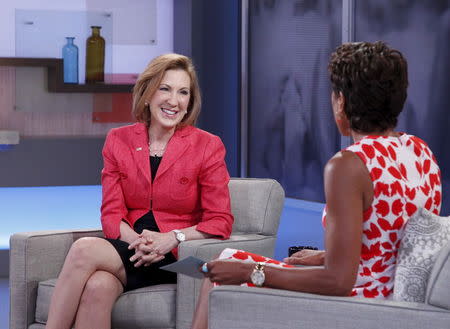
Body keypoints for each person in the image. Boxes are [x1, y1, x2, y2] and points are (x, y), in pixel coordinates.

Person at [190, 41, 442, 329]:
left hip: (361, 305)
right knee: (228, 258)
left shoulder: (349, 165)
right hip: (398, 301)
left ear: (341, 102)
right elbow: (390, 242)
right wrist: (325, 256)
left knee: (221, 272)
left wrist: (253, 271)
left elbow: (337, 281)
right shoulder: (418, 150)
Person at [45, 53, 234, 329]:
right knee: (98, 286)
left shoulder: (207, 145)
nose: (174, 100)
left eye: (183, 92)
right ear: (147, 93)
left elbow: (221, 220)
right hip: (130, 247)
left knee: (84, 249)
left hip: (175, 257)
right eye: (165, 88)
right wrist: (138, 243)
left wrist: (171, 238)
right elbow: (111, 213)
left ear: (190, 101)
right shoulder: (118, 140)